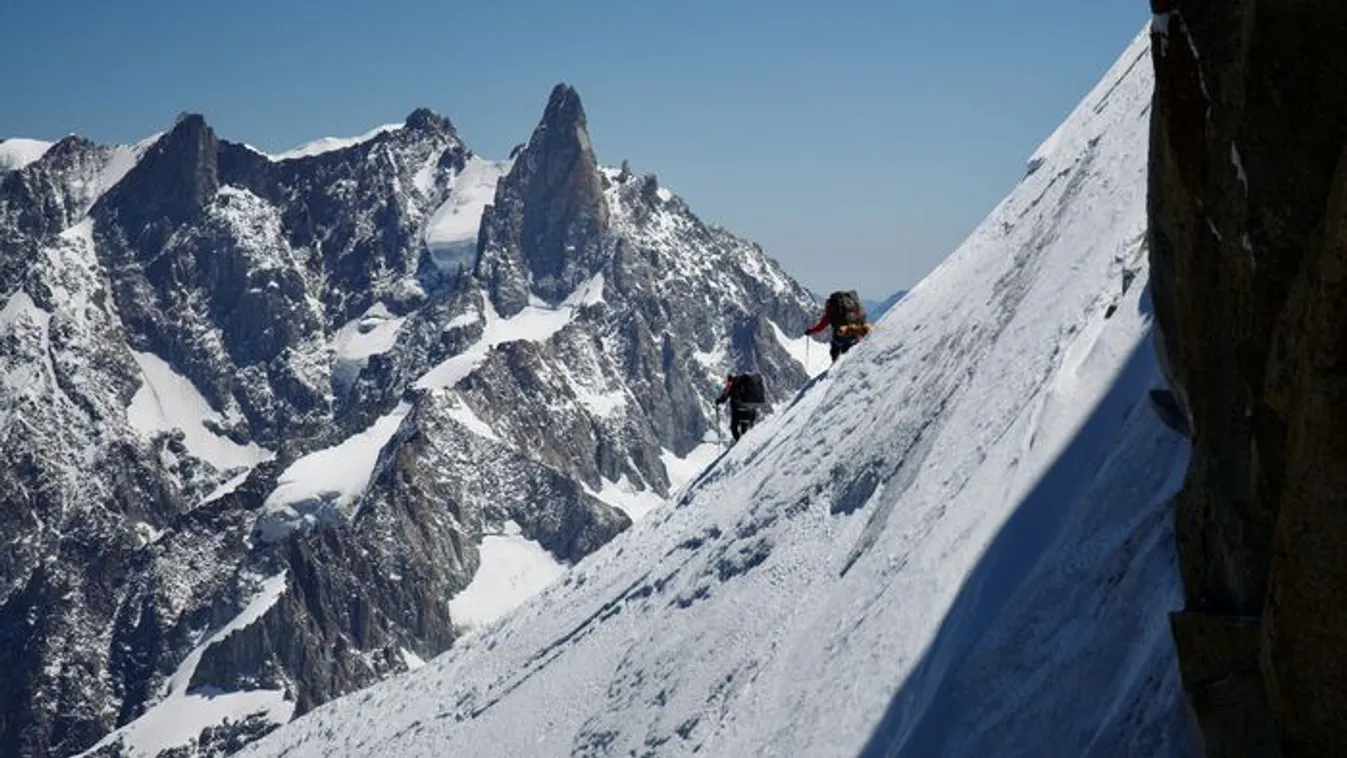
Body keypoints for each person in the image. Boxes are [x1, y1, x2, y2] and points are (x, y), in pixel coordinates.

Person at [805, 289, 873, 362]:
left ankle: (836, 365)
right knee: (848, 350)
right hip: (854, 334)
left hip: (841, 335)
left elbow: (822, 325)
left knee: (835, 347)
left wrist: (811, 331)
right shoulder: (855, 307)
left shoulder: (832, 309)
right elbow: (863, 319)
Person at [715, 372, 766, 442]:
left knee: (734, 429)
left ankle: (739, 446)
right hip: (750, 411)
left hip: (738, 412)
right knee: (744, 429)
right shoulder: (743, 384)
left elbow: (724, 398)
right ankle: (743, 445)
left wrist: (718, 401)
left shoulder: (731, 386)